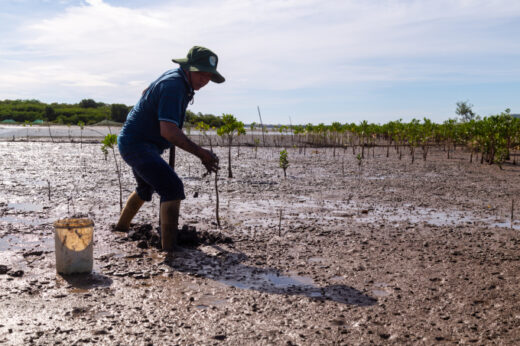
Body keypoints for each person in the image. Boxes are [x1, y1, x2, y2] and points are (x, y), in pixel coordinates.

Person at [115, 46, 223, 251]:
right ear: (188, 68)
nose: (204, 80)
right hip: (137, 144)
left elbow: (146, 91)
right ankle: (169, 248)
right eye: (200, 73)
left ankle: (120, 228)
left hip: (138, 142)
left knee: (146, 188)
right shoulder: (174, 85)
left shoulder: (175, 79)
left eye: (209, 75)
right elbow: (169, 132)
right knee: (172, 189)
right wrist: (202, 153)